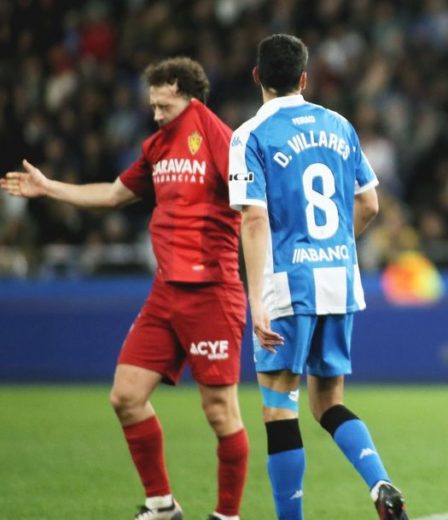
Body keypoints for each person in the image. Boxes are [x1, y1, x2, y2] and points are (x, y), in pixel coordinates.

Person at [1, 57, 249, 520]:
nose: (155, 114)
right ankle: (162, 505)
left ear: (186, 93)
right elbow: (114, 195)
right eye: (152, 105)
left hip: (211, 291)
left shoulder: (219, 136)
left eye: (163, 104)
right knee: (126, 397)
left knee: (220, 412)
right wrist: (49, 187)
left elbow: (251, 204)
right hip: (165, 293)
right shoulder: (158, 145)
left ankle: (227, 515)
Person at [229, 34, 408, 520]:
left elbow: (254, 219)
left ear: (257, 77)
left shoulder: (250, 136)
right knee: (328, 402)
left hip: (288, 284)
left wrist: (259, 300)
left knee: (279, 407)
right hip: (340, 280)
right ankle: (381, 482)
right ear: (305, 78)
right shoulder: (340, 125)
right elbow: (369, 203)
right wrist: (334, 247)